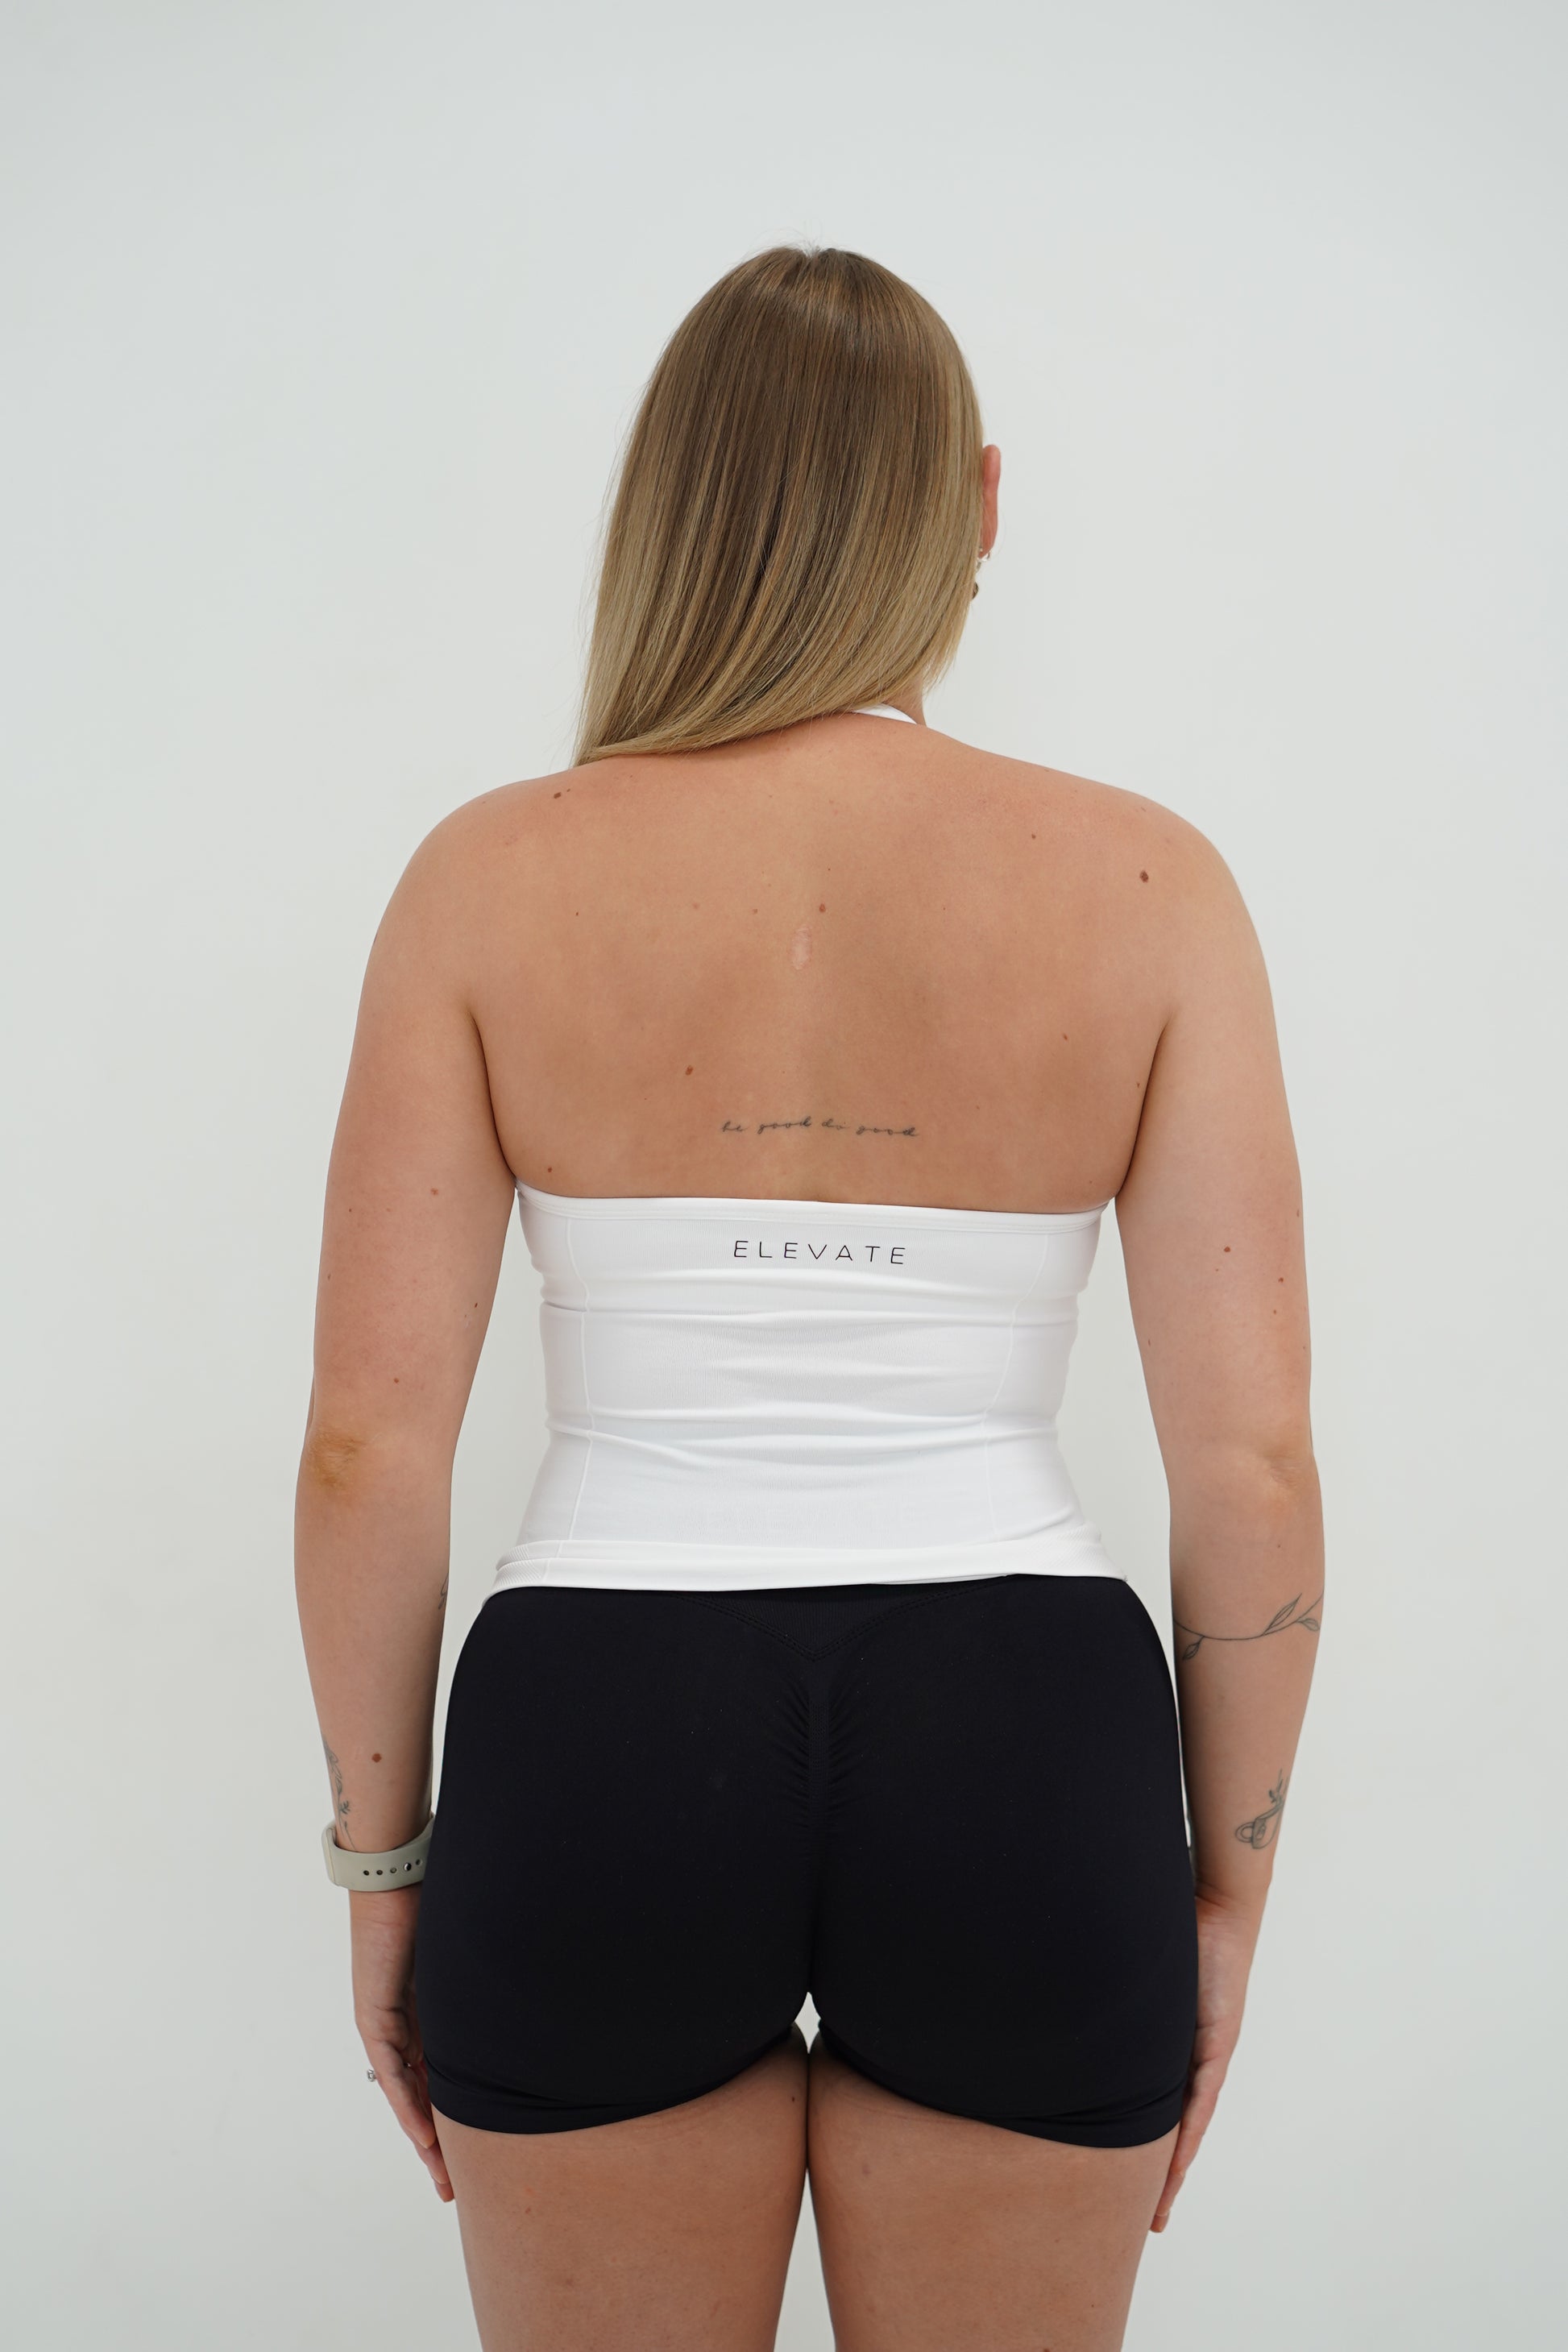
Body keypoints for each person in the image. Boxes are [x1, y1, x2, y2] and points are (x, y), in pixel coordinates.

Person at [295, 244, 1322, 2352]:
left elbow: (364, 1453)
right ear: (979, 504)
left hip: (603, 1731)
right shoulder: (1151, 887)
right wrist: (1222, 1887)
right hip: (1022, 1737)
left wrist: (385, 1874)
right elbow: (1252, 1463)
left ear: (668, 505)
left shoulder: (489, 877)